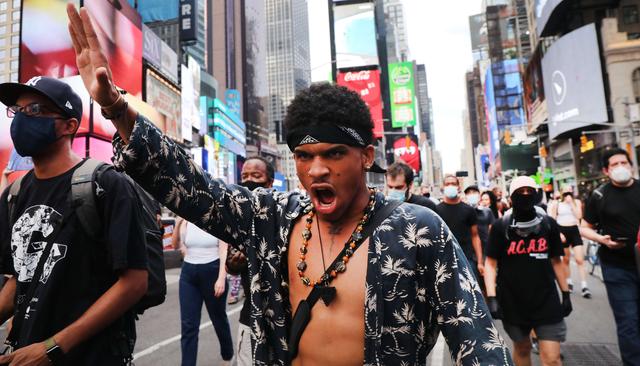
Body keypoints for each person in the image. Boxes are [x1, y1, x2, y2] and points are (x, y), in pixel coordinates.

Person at [66, 5, 512, 364]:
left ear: (367, 157)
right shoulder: (270, 218)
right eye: (304, 156)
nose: (317, 170)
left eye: (334, 154)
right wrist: (116, 107)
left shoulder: (419, 231)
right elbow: (191, 185)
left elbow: (476, 337)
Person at [0, 76, 149, 365]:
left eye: (34, 110)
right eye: (17, 111)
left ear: (69, 126)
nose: (20, 120)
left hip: (91, 357)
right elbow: (20, 279)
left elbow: (134, 282)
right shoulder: (13, 195)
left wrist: (53, 348)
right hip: (26, 355)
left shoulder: (106, 184)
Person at [484, 176, 571, 366]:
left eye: (529, 191)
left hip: (547, 301)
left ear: (537, 195)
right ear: (512, 196)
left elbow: (557, 261)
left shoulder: (548, 225)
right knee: (522, 348)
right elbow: (490, 263)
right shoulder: (501, 227)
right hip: (513, 301)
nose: (525, 195)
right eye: (520, 192)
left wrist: (565, 293)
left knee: (552, 359)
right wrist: (491, 298)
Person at [581, 148, 640, 365]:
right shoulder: (600, 195)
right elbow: (585, 227)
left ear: (631, 165)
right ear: (606, 171)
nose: (620, 167)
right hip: (617, 267)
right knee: (627, 321)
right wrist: (602, 240)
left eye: (624, 162)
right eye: (614, 165)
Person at [226, 156, 276, 366]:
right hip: (250, 318)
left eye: (256, 176)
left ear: (270, 183)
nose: (249, 181)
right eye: (245, 176)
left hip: (284, 319)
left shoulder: (284, 215)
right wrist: (235, 263)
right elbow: (232, 265)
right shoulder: (237, 217)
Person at [171, 217, 232, 365]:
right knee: (188, 326)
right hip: (188, 273)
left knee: (218, 319)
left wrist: (221, 278)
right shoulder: (186, 219)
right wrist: (179, 222)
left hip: (212, 270)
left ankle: (227, 355)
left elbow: (224, 250)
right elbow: (175, 245)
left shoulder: (217, 218)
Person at [434, 175, 484, 279]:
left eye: (453, 183)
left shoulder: (469, 210)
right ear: (443, 187)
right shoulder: (436, 210)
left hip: (466, 258)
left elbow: (475, 236)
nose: (450, 186)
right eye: (447, 184)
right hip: (444, 259)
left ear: (459, 187)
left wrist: (480, 261)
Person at [548, 186, 591, 298]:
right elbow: (552, 220)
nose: (568, 193)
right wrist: (558, 233)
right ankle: (569, 281)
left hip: (574, 230)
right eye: (566, 191)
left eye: (570, 191)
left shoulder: (576, 202)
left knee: (579, 259)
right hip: (562, 231)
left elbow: (579, 216)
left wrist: (571, 204)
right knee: (565, 259)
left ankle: (584, 286)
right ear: (562, 193)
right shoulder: (557, 204)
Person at [465, 186, 495, 264]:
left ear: (479, 196)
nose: (472, 195)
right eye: (469, 193)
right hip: (469, 252)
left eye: (474, 192)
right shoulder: (463, 212)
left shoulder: (487, 211)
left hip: (485, 249)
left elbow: (492, 230)